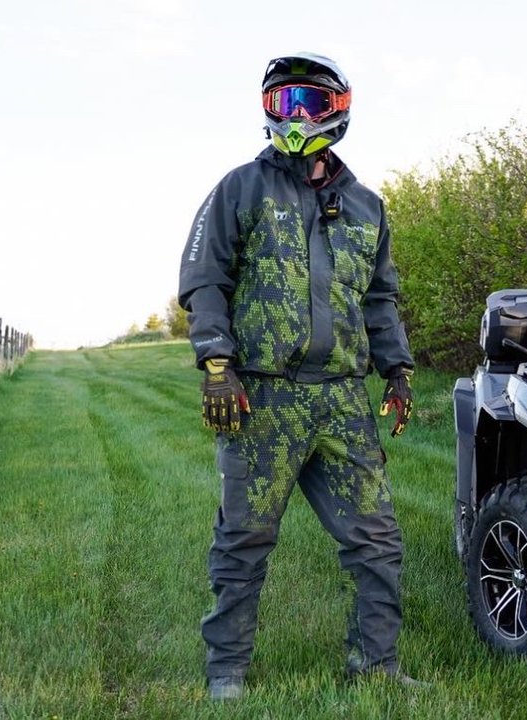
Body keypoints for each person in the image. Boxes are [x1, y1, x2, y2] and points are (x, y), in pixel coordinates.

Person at [177, 51, 423, 700]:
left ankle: (377, 668)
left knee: (377, 541)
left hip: (342, 402)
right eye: (282, 103)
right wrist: (218, 364)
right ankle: (226, 674)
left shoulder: (367, 207)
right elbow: (205, 279)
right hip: (262, 398)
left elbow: (380, 299)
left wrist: (396, 371)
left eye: (308, 103)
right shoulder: (240, 189)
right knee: (243, 543)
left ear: (337, 111)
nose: (294, 116)